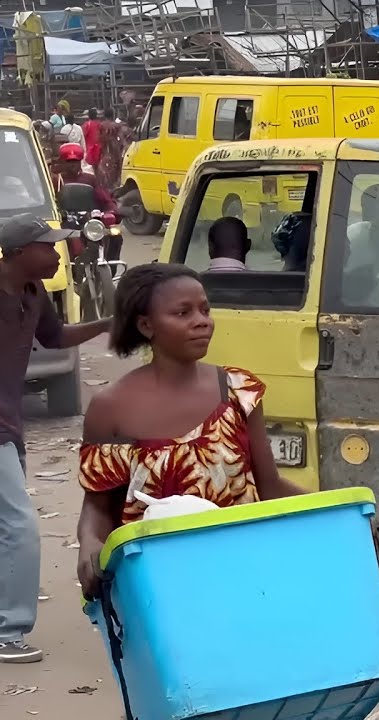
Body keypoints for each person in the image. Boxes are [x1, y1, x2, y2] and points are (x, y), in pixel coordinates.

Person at [76, 264, 307, 598]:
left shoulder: (237, 391)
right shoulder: (111, 407)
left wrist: (345, 516)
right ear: (146, 325)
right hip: (156, 584)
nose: (202, 321)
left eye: (205, 310)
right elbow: (97, 504)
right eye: (183, 313)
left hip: (241, 572)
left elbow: (269, 486)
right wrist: (90, 544)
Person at [0, 214, 112, 662]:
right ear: (20, 252)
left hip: (10, 424)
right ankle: (8, 631)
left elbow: (57, 337)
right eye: (48, 247)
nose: (57, 253)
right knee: (20, 527)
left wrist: (107, 324)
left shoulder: (32, 292)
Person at [53, 144, 116, 214]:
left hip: (88, 220)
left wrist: (112, 212)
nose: (72, 164)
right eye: (69, 161)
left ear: (80, 162)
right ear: (62, 162)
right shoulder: (56, 180)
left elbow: (105, 200)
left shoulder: (90, 179)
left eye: (75, 161)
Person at [95, 109, 126, 191]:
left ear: (104, 115)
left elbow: (98, 138)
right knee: (117, 165)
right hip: (114, 147)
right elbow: (121, 137)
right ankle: (115, 184)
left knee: (104, 165)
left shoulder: (101, 125)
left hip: (105, 148)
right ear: (112, 115)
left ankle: (104, 185)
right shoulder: (116, 126)